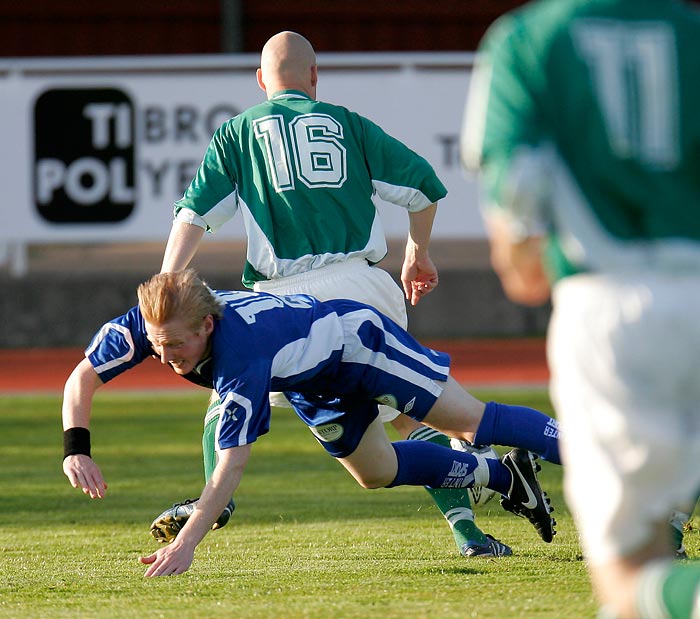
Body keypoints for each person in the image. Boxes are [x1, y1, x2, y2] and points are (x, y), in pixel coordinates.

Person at [155, 30, 518, 558]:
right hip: (364, 288)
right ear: (315, 76)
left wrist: (167, 283)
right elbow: (423, 186)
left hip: (283, 299)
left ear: (260, 81)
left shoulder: (236, 133)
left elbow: (193, 215)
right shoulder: (347, 123)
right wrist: (419, 252)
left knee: (227, 392)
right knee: (408, 416)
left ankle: (217, 498)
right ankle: (469, 532)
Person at [61, 270, 562, 577]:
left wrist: (186, 544)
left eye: (177, 345)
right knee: (375, 471)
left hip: (360, 345)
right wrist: (76, 448)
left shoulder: (240, 356)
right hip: (313, 379)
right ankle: (505, 478)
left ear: (207, 325)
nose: (165, 357)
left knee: (473, 423)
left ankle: (585, 450)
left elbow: (230, 466)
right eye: (157, 344)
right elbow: (81, 379)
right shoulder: (154, 322)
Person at [461, 1, 700, 618]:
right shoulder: (690, 31)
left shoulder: (528, 41)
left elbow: (516, 213)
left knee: (628, 582)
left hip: (609, 305)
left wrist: (526, 266)